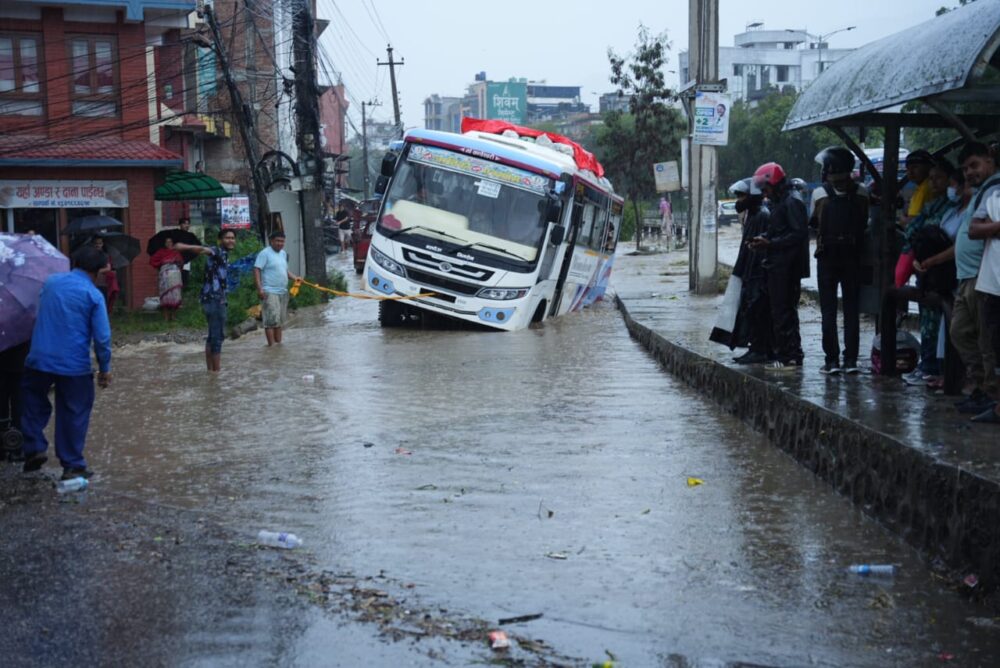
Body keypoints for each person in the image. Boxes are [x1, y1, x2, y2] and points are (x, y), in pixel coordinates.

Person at [20, 245, 112, 480]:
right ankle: (72, 465)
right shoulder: (93, 295)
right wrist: (104, 369)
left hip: (39, 358)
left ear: (76, 262)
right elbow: (102, 339)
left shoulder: (51, 282)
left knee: (32, 401)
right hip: (74, 365)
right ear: (97, 271)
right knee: (74, 412)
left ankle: (33, 447)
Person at [950, 142, 1000, 416]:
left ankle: (992, 396)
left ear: (990, 160)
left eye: (974, 165)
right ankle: (984, 387)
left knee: (986, 341)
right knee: (960, 332)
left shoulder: (995, 188)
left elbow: (976, 230)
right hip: (966, 277)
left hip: (982, 276)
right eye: (965, 168)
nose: (969, 172)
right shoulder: (983, 191)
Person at [810, 147, 869, 375]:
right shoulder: (862, 192)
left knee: (829, 311)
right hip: (853, 257)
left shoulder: (819, 194)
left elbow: (813, 223)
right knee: (852, 310)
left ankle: (832, 361)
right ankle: (851, 360)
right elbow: (864, 221)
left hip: (827, 258)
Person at [900, 159, 957, 386]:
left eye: (939, 178)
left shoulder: (949, 208)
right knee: (927, 320)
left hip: (942, 273)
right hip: (924, 270)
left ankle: (935, 366)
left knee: (937, 321)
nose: (934, 183)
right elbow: (913, 232)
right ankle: (928, 364)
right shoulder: (931, 206)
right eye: (931, 179)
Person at [749, 161, 809, 369]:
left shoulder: (792, 201)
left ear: (773, 183)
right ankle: (786, 354)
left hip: (788, 267)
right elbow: (779, 230)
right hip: (778, 265)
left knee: (784, 312)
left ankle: (789, 356)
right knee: (779, 312)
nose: (764, 193)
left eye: (765, 188)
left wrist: (770, 243)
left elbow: (798, 234)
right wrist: (764, 239)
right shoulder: (781, 201)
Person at [967, 146, 1000, 424]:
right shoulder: (994, 195)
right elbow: (974, 229)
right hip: (991, 283)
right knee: (992, 344)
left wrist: (992, 226)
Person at [722, 178, 772, 364]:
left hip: (758, 274)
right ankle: (755, 347)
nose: (739, 201)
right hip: (750, 273)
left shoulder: (762, 215)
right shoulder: (752, 215)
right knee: (749, 311)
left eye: (742, 196)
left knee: (757, 311)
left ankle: (760, 350)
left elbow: (760, 249)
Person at [175, 228, 237, 372]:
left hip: (212, 298)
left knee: (212, 336)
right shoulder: (217, 250)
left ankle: (211, 372)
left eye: (233, 238)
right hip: (215, 299)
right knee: (217, 337)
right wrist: (183, 247)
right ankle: (216, 373)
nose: (231, 240)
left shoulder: (224, 254)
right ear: (220, 240)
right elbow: (203, 250)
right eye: (227, 238)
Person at [895, 149, 935, 288]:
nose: (910, 172)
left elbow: (912, 224)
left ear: (928, 167)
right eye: (908, 169)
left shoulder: (925, 189)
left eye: (915, 167)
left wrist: (902, 219)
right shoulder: (921, 188)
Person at [253, 231, 300, 347]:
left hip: (283, 291)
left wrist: (295, 278)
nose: (280, 243)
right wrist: (260, 289)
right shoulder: (265, 253)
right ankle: (271, 347)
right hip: (269, 291)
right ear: (271, 241)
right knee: (270, 321)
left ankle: (278, 346)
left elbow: (285, 271)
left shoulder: (283, 254)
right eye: (277, 241)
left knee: (279, 321)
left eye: (282, 241)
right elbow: (257, 269)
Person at [149, 237, 184, 321]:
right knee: (165, 295)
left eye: (170, 242)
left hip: (175, 275)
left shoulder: (176, 252)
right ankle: (166, 316)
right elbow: (152, 260)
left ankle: (173, 316)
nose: (169, 243)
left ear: (172, 243)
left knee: (175, 295)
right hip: (165, 276)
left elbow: (181, 263)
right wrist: (164, 261)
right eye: (167, 242)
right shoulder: (161, 252)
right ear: (164, 244)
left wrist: (176, 261)